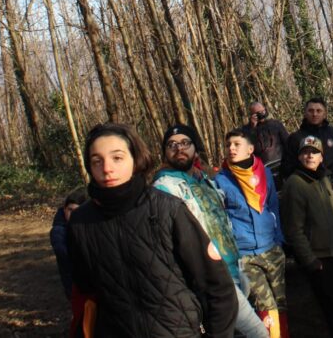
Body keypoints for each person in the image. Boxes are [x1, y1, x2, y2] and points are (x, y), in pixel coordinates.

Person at [66, 122, 236, 338]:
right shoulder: (80, 223)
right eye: (97, 161)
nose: (107, 168)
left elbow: (218, 287)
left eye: (117, 158)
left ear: (135, 159)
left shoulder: (168, 209)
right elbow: (85, 290)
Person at [153, 124, 267, 338]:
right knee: (259, 334)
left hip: (235, 270)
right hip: (212, 279)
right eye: (172, 145)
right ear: (165, 153)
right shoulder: (163, 188)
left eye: (185, 143)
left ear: (195, 149)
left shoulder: (205, 181)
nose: (179, 148)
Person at [215, 128, 290, 338]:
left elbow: (273, 206)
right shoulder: (221, 180)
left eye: (236, 144)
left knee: (281, 303)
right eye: (228, 145)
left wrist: (278, 240)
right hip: (246, 255)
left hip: (271, 249)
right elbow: (220, 219)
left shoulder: (264, 173)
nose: (231, 149)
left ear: (250, 149)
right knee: (265, 306)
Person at [281, 135, 333, 337]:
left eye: (314, 152)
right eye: (305, 152)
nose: (310, 156)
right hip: (317, 258)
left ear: (321, 157)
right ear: (299, 156)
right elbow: (294, 229)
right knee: (331, 310)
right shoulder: (295, 184)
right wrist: (310, 261)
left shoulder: (323, 178)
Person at [281, 97, 333, 181]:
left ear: (324, 114)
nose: (314, 114)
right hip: (306, 184)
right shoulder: (295, 138)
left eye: (319, 111)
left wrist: (331, 171)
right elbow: (286, 166)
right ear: (305, 113)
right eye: (310, 111)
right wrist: (309, 174)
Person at [50, 188, 87, 301]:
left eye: (77, 210)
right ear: (64, 209)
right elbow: (63, 252)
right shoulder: (59, 231)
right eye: (70, 210)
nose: (72, 214)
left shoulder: (86, 225)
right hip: (73, 283)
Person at [243, 101, 291, 178]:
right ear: (253, 115)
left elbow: (288, 143)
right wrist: (253, 128)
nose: (262, 114)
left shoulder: (275, 124)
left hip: (281, 163)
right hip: (262, 170)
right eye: (258, 113)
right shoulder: (247, 130)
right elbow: (247, 149)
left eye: (263, 111)